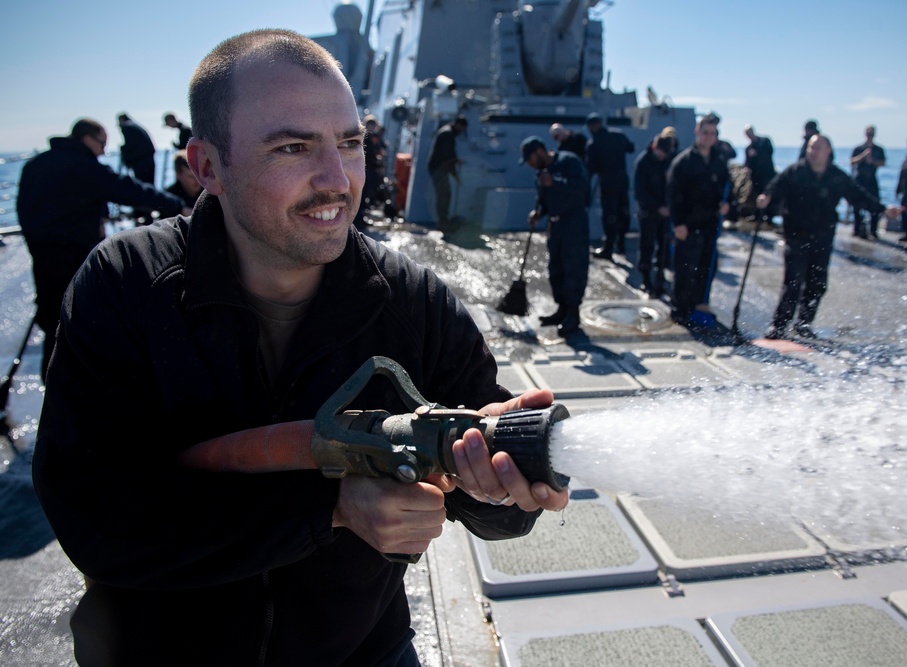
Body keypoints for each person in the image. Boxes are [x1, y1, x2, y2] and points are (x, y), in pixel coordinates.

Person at [32, 29, 567, 666]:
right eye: (293, 147)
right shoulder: (124, 288)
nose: (337, 180)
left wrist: (501, 490)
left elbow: (495, 508)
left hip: (362, 652)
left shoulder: (415, 302)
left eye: (350, 143)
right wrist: (330, 507)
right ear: (207, 167)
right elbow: (94, 517)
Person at [15, 118, 188, 381]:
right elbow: (127, 189)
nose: (105, 151)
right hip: (72, 251)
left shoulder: (35, 164)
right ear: (87, 138)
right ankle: (77, 384)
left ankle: (52, 385)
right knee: (77, 317)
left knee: (50, 315)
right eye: (102, 143)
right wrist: (177, 204)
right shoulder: (80, 167)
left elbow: (22, 207)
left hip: (39, 250)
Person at [756, 134, 901, 340]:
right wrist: (765, 197)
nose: (813, 152)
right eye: (810, 148)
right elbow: (775, 186)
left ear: (828, 151)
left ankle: (804, 323)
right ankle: (778, 326)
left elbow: (858, 196)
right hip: (797, 234)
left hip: (823, 235)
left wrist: (883, 209)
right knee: (793, 281)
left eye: (818, 148)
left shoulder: (836, 176)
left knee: (817, 283)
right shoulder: (796, 171)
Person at [519, 135, 590, 337]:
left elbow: (582, 190)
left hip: (574, 224)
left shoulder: (569, 161)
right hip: (556, 226)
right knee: (556, 268)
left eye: (530, 159)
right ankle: (561, 310)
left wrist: (555, 182)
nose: (530, 165)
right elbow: (543, 199)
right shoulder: (541, 174)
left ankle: (573, 315)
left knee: (573, 268)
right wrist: (538, 213)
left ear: (539, 152)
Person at [666, 114, 731, 325]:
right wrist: (678, 224)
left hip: (710, 225)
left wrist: (728, 206)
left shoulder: (719, 162)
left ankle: (699, 305)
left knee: (706, 269)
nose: (708, 137)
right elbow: (673, 195)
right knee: (685, 270)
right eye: (705, 132)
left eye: (712, 133)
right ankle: (680, 309)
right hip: (688, 224)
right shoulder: (683, 162)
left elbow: (726, 190)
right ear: (697, 132)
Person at [633, 129, 677, 296]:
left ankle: (660, 279)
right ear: (654, 147)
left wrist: (669, 206)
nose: (663, 156)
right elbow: (640, 192)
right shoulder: (643, 162)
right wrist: (658, 207)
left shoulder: (668, 161)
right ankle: (646, 279)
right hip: (648, 212)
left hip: (665, 213)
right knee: (646, 246)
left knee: (664, 248)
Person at [585, 112, 635, 258]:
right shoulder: (618, 135)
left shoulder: (593, 144)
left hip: (607, 183)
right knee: (622, 212)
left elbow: (591, 169)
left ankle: (608, 248)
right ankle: (621, 244)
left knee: (610, 215)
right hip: (622, 180)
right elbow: (630, 147)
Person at [427, 114, 467, 233]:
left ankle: (443, 221)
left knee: (444, 194)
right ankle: (443, 222)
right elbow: (448, 156)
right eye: (463, 128)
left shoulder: (447, 132)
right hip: (438, 168)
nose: (462, 131)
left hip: (438, 168)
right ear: (459, 125)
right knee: (444, 195)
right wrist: (456, 176)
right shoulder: (448, 134)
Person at [849, 125, 887, 238]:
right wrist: (863, 156)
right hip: (859, 179)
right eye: (868, 133)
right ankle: (857, 229)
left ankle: (873, 230)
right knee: (856, 205)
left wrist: (873, 161)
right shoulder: (859, 148)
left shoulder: (878, 149)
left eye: (871, 134)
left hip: (871, 179)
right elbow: (852, 161)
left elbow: (883, 163)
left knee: (875, 203)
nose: (869, 136)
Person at [356, 114, 388, 225]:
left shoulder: (372, 137)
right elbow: (368, 154)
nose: (372, 127)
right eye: (370, 124)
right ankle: (359, 219)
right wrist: (376, 160)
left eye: (373, 125)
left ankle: (361, 216)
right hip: (365, 169)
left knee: (366, 194)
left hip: (369, 169)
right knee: (362, 194)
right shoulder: (364, 137)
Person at [743, 125, 776, 220]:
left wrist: (758, 153)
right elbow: (747, 162)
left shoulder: (764, 141)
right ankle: (757, 215)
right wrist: (746, 168)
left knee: (768, 194)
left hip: (767, 173)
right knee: (756, 194)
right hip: (756, 176)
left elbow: (770, 152)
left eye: (749, 133)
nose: (749, 135)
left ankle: (769, 216)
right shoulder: (748, 148)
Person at [117, 113, 156, 185]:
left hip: (141, 162)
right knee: (149, 186)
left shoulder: (127, 127)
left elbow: (130, 145)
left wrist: (123, 150)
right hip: (148, 160)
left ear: (121, 120)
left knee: (142, 186)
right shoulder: (135, 126)